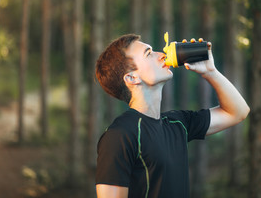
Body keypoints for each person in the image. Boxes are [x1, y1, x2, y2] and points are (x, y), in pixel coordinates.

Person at [95, 34, 250, 198]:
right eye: (149, 53)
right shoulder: (119, 135)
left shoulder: (178, 123)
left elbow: (238, 112)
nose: (161, 54)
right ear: (132, 78)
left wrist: (210, 71)